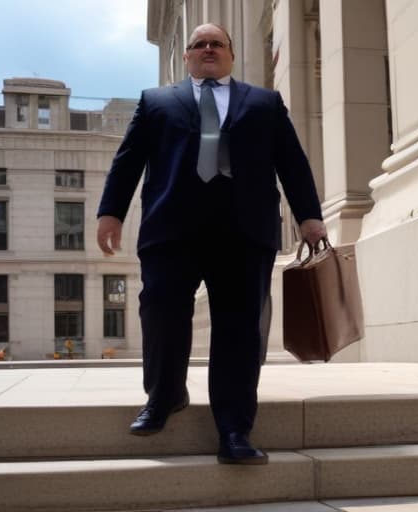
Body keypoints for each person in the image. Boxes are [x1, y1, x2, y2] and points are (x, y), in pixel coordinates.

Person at [96, 23, 326, 465]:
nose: (207, 49)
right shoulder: (156, 101)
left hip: (244, 231)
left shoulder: (264, 102)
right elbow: (128, 160)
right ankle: (164, 397)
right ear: (186, 57)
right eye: (198, 45)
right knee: (161, 310)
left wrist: (309, 216)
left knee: (240, 329)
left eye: (216, 44)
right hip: (171, 230)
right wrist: (111, 212)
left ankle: (235, 428)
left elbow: (291, 162)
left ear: (231, 55)